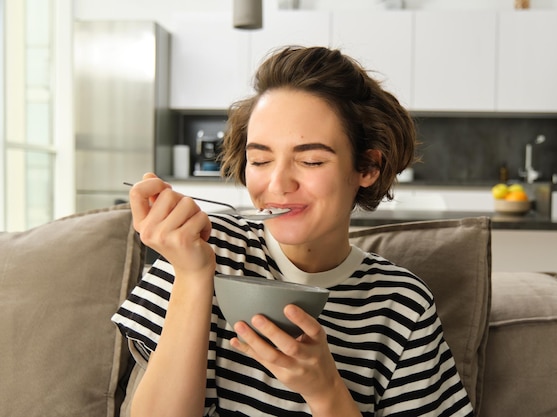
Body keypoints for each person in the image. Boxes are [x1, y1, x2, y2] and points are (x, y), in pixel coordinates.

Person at [112, 45, 473, 417]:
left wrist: (326, 390)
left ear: (366, 167)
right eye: (260, 160)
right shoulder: (202, 248)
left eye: (310, 160)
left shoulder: (401, 305)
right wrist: (191, 276)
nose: (278, 184)